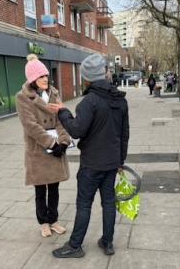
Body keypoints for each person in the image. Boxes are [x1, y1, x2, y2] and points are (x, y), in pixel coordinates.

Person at [48, 53, 129, 258]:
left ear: (86, 78)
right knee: (108, 203)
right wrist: (120, 161)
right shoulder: (120, 100)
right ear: (104, 73)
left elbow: (76, 130)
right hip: (111, 163)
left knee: (84, 204)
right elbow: (124, 134)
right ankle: (108, 242)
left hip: (91, 165)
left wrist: (63, 112)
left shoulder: (89, 101)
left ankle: (75, 245)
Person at [15, 54, 72, 238]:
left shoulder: (54, 93)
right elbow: (30, 125)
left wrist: (63, 141)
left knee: (54, 188)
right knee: (40, 189)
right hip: (38, 150)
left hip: (56, 147)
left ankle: (54, 220)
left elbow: (61, 118)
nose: (45, 79)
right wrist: (50, 143)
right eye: (41, 76)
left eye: (46, 75)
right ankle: (43, 223)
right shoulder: (23, 97)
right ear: (32, 79)